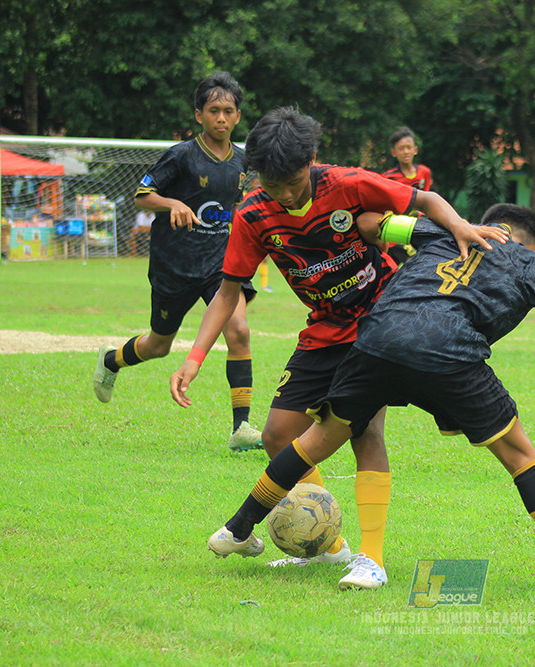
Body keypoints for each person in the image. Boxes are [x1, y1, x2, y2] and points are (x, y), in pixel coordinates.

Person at [195, 204, 535, 597]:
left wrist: (382, 221)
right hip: (449, 351)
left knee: (315, 442)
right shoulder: (530, 263)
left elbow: (370, 221)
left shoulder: (443, 229)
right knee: (520, 455)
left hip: (377, 338)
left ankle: (237, 529)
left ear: (483, 225)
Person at [170, 107, 506, 570]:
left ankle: (372, 556)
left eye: (293, 182)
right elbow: (227, 293)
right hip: (325, 329)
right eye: (273, 185)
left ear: (310, 159)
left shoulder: (345, 184)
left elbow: (426, 201)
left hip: (379, 323)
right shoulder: (253, 215)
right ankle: (327, 542)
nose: (286, 194)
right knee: (277, 435)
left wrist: (460, 226)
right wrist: (194, 357)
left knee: (364, 430)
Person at [92, 71, 262, 453]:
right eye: (213, 110)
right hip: (175, 265)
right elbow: (142, 194)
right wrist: (172, 203)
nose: (221, 117)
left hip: (220, 265)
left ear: (237, 116)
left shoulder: (243, 161)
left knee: (238, 330)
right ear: (199, 114)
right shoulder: (182, 155)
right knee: (158, 345)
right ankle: (111, 360)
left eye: (228, 111)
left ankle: (242, 427)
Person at [380, 126, 434, 265]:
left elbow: (427, 200)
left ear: (415, 150)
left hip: (420, 221)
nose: (406, 151)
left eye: (408, 147)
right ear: (394, 152)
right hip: (399, 224)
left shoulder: (424, 172)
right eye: (401, 148)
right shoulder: (388, 177)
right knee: (410, 262)